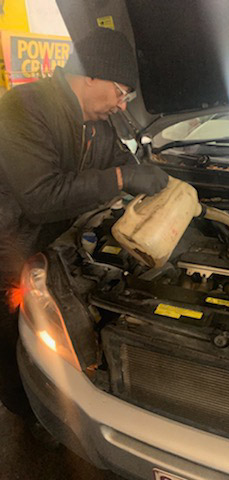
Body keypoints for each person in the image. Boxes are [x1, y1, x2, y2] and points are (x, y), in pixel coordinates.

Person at [0, 28, 168, 421]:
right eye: (121, 92)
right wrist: (122, 180)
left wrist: (147, 178)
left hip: (49, 245)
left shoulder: (96, 123)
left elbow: (115, 163)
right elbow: (41, 198)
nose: (122, 104)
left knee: (55, 332)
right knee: (12, 337)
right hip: (7, 248)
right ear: (92, 74)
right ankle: (27, 412)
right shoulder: (22, 107)